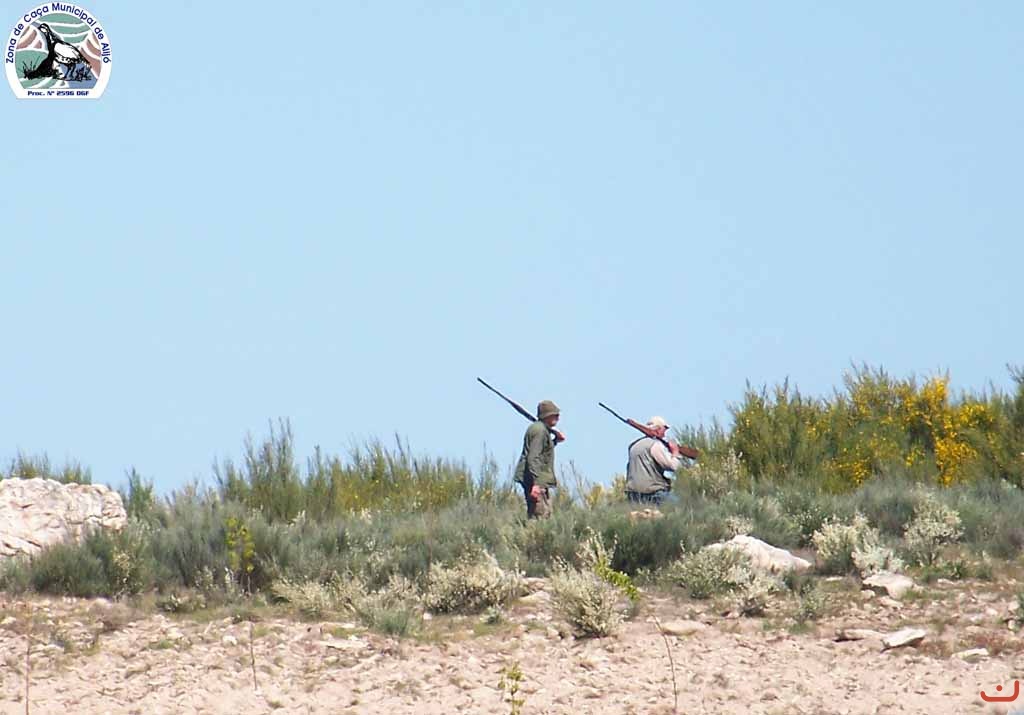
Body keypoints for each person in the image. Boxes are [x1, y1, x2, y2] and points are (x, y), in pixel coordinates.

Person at [513, 400, 563, 519]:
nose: (558, 417)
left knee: (545, 514)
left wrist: (555, 441)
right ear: (547, 415)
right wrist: (536, 484)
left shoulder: (541, 429)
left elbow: (543, 451)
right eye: (555, 415)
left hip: (538, 480)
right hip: (535, 480)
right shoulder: (540, 431)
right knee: (539, 516)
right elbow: (533, 458)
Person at [624, 416, 684, 505]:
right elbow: (674, 466)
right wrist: (675, 452)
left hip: (633, 496)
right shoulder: (655, 445)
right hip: (653, 494)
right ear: (658, 430)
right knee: (683, 505)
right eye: (663, 431)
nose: (664, 435)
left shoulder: (633, 445)